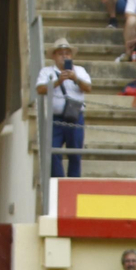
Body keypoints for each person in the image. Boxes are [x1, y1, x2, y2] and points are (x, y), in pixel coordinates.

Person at [37, 38, 91, 178]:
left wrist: (75, 79)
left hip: (75, 117)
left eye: (67, 53)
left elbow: (88, 87)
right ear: (54, 56)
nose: (64, 56)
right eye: (61, 53)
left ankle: (73, 185)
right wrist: (57, 81)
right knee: (53, 152)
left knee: (75, 154)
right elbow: (40, 89)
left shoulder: (80, 70)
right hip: (56, 118)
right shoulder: (46, 71)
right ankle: (59, 183)